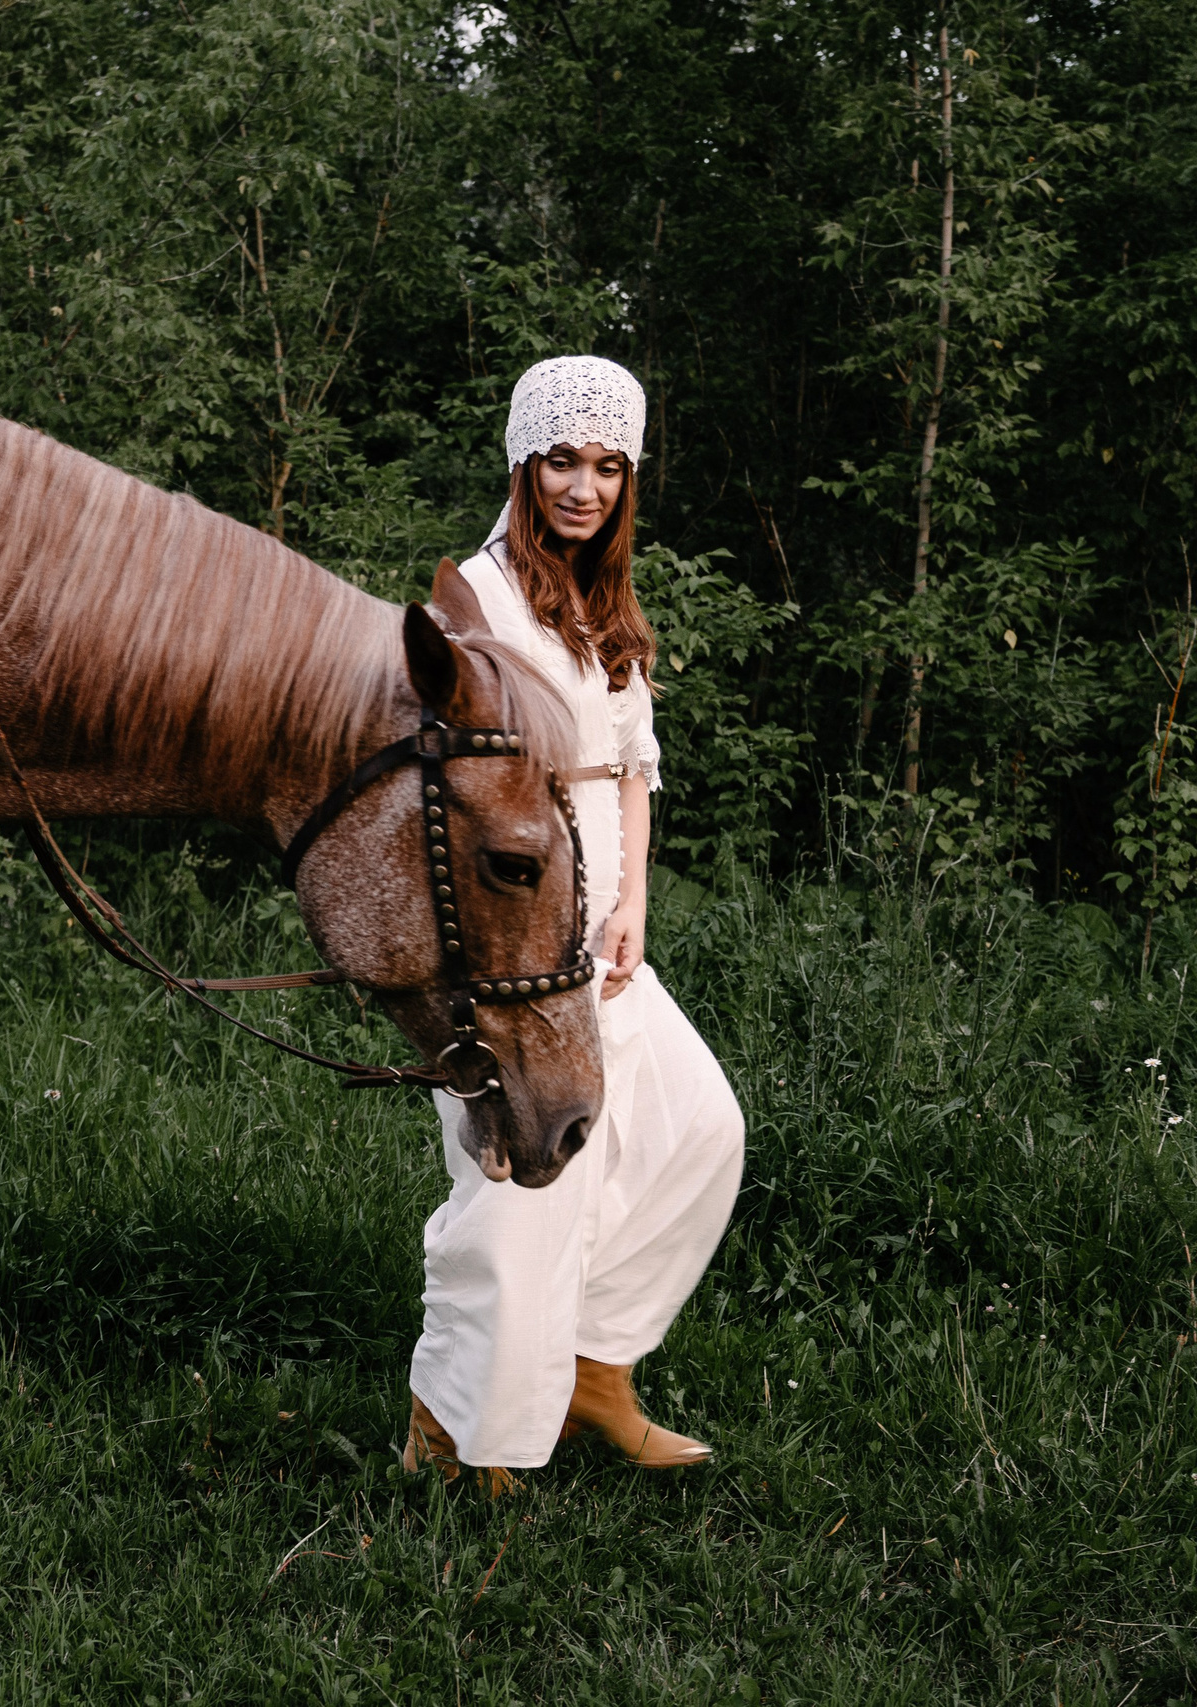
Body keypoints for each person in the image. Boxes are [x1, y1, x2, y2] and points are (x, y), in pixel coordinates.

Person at [402, 355, 746, 1490]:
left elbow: (629, 771)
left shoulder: (604, 598)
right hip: (511, 937)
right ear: (521, 461)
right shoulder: (474, 598)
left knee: (697, 1130)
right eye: (561, 460)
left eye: (606, 465)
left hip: (600, 936)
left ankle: (595, 1369)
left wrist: (634, 902)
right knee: (515, 1192)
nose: (582, 487)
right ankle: (457, 1432)